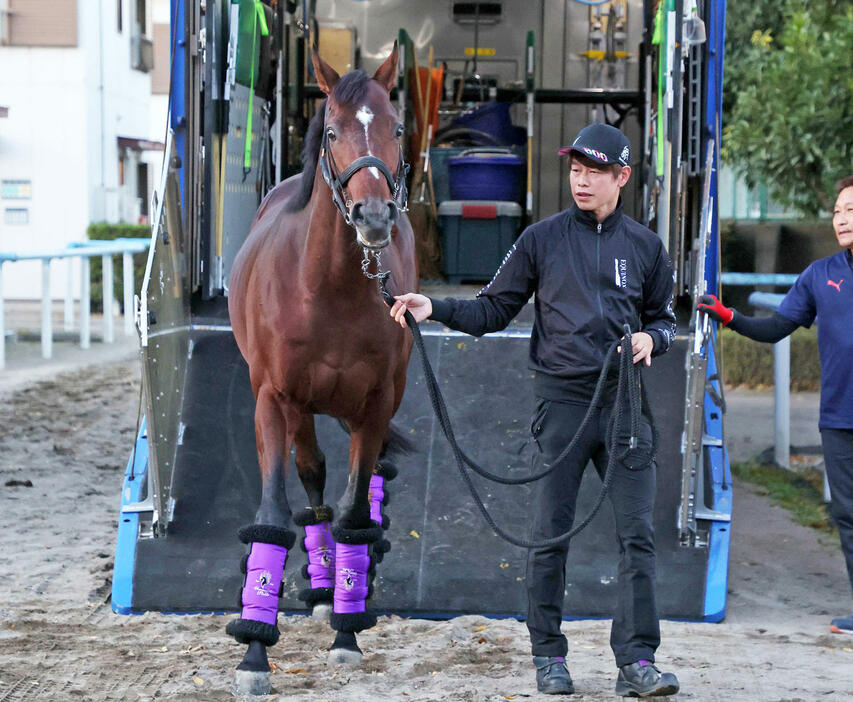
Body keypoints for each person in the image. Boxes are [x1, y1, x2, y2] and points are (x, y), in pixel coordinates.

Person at [391, 123, 680, 697]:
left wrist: (653, 339)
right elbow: (494, 309)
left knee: (638, 536)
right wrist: (436, 307)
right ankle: (549, 656)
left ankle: (637, 662)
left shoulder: (647, 247)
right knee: (549, 535)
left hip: (625, 405)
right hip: (563, 402)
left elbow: (666, 318)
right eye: (575, 169)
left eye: (594, 171)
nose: (581, 180)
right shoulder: (540, 240)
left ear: (622, 176)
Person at [698, 174, 853, 637]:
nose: (842, 218)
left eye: (852, 210)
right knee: (848, 515)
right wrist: (729, 316)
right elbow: (777, 327)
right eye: (838, 211)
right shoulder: (821, 275)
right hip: (840, 417)